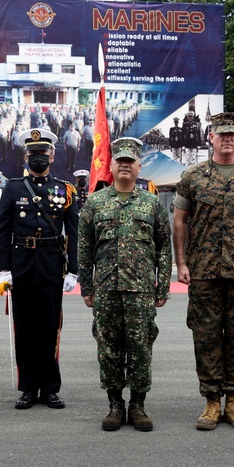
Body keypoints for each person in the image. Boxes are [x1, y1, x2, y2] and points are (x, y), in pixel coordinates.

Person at [172, 112, 234, 431]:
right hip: (203, 270)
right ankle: (212, 401)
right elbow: (179, 221)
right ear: (210, 138)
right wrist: (182, 263)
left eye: (232, 134)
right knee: (205, 336)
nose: (226, 138)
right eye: (220, 134)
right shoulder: (193, 176)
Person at [78, 137, 171, 432]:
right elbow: (84, 248)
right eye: (120, 161)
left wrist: (163, 286)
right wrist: (87, 287)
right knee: (109, 348)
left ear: (139, 167)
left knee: (141, 347)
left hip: (141, 290)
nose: (125, 166)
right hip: (106, 289)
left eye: (131, 162)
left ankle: (138, 404)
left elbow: (163, 248)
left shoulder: (152, 204)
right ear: (112, 166)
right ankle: (115, 405)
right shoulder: (95, 203)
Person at [0, 128, 79, 410]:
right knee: (25, 329)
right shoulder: (14, 188)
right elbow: (3, 230)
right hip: (20, 267)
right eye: (33, 154)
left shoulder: (65, 190)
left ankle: (51, 388)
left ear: (52, 155)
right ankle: (28, 388)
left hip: (51, 266)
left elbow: (75, 233)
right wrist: (3, 269)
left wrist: (74, 271)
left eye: (42, 153)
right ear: (25, 156)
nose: (38, 158)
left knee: (49, 328)